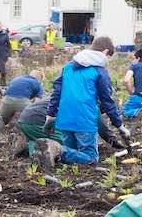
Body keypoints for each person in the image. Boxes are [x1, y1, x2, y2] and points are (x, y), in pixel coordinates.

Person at [37, 36, 130, 170]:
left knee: (72, 156)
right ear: (105, 52)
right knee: (91, 158)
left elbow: (56, 94)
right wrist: (120, 126)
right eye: (108, 56)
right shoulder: (99, 71)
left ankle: (51, 153)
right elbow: (107, 101)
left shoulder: (68, 67)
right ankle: (57, 149)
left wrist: (50, 117)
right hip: (84, 120)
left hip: (65, 119)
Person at [12, 98, 127, 159]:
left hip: (25, 121)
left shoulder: (73, 96)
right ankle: (33, 147)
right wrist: (115, 142)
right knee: (66, 145)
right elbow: (102, 128)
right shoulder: (90, 103)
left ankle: (28, 146)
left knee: (42, 139)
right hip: (38, 120)